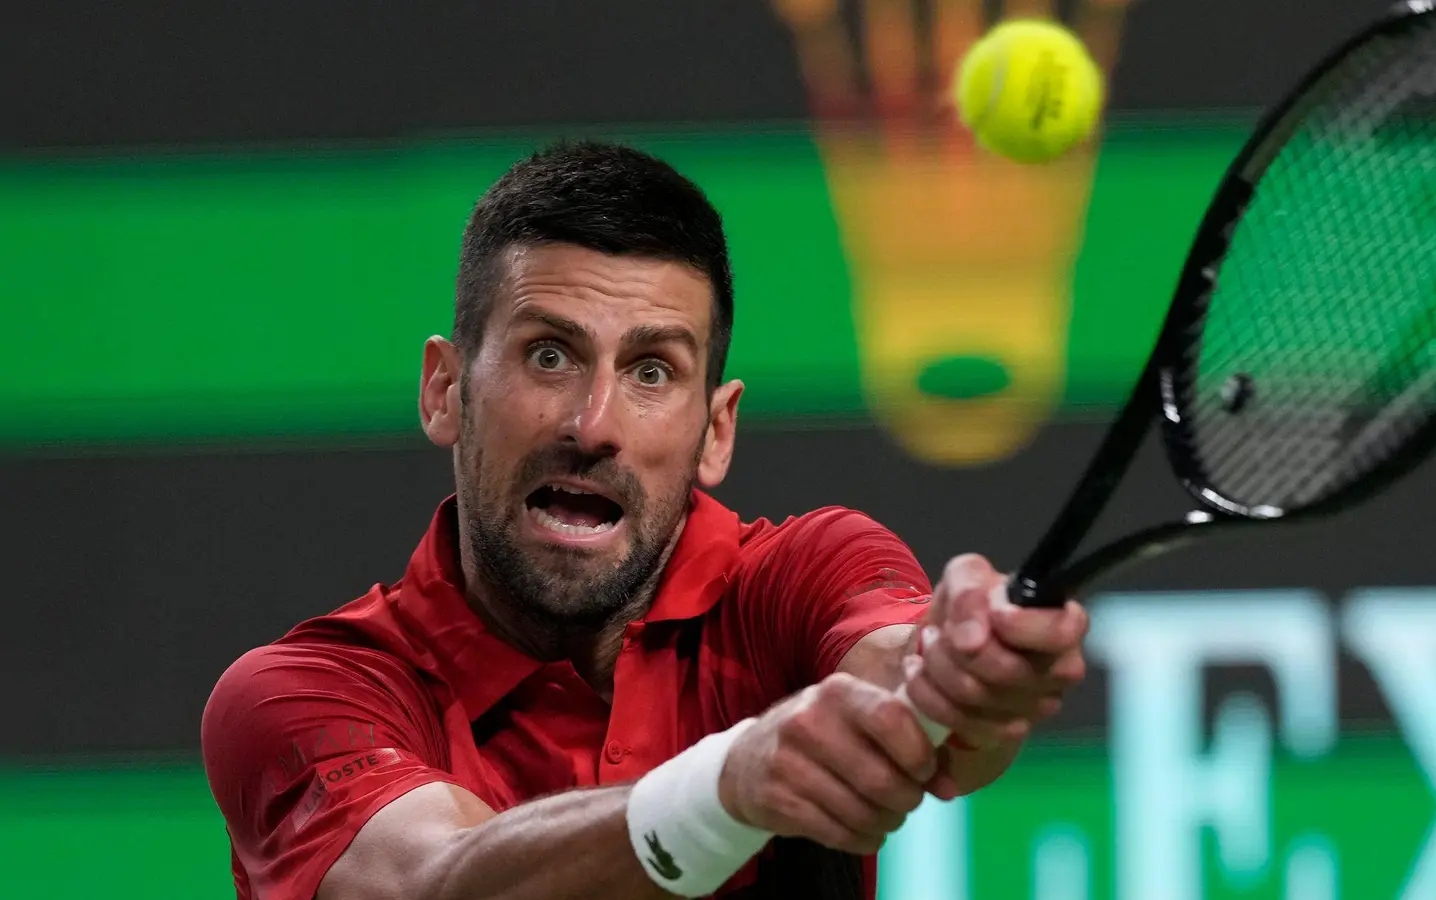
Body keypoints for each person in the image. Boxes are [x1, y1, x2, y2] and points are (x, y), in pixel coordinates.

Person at [201, 141, 1089, 900]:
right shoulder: (302, 697)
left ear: (717, 430)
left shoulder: (801, 577)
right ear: (446, 390)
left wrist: (961, 680)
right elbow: (435, 878)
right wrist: (726, 791)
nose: (593, 426)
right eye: (549, 355)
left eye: (653, 371)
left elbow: (900, 673)